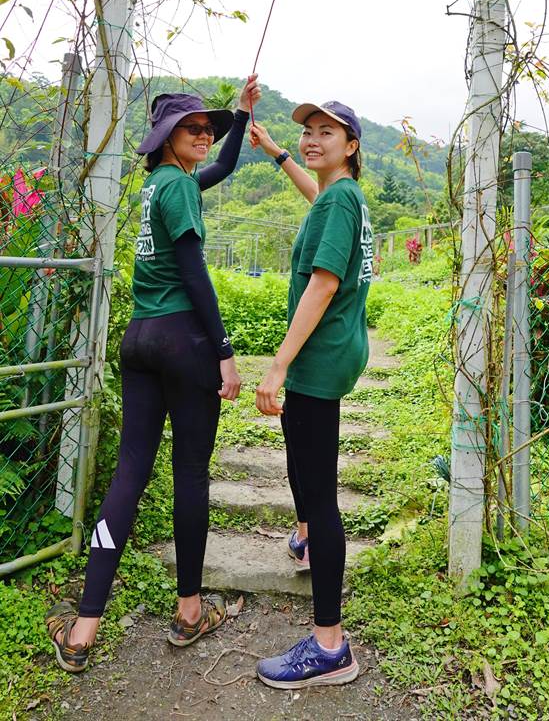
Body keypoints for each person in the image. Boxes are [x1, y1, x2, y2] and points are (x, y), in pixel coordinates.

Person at [46, 76, 261, 673]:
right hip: (182, 338)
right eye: (192, 127)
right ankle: (189, 611)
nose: (204, 133)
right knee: (190, 472)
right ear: (166, 138)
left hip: (138, 338)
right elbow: (195, 273)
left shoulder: (162, 186)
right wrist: (224, 349)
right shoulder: (177, 189)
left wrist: (239, 117)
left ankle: (84, 627)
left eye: (207, 127)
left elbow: (224, 166)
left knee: (130, 473)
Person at [249, 100, 374, 690]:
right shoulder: (337, 197)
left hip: (319, 359)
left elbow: (323, 284)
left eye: (326, 132)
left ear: (350, 145)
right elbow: (315, 197)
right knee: (302, 462)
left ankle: (330, 645)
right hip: (335, 352)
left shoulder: (341, 199)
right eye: (307, 132)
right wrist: (275, 151)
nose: (311, 140)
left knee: (321, 494)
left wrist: (277, 367)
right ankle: (303, 535)